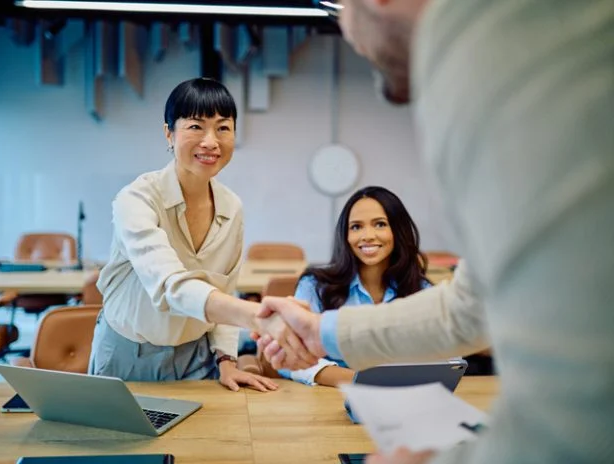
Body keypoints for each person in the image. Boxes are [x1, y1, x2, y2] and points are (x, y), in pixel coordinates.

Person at [257, 0, 614, 463]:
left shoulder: (494, 46)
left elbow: (573, 420)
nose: (344, 30)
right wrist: (320, 330)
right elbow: (467, 307)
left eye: (338, 8)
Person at [89, 78, 316, 392]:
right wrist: (259, 318)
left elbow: (224, 288)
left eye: (223, 128)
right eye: (196, 126)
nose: (211, 141)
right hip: (128, 353)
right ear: (169, 132)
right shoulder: (137, 199)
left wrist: (226, 360)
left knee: (199, 441)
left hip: (197, 357)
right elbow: (171, 286)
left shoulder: (231, 206)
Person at [280, 186, 431, 387]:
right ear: (345, 235)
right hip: (330, 399)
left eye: (380, 224)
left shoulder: (422, 290)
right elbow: (292, 357)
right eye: (356, 227)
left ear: (398, 230)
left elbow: (450, 359)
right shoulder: (315, 286)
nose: (367, 235)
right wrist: (360, 381)